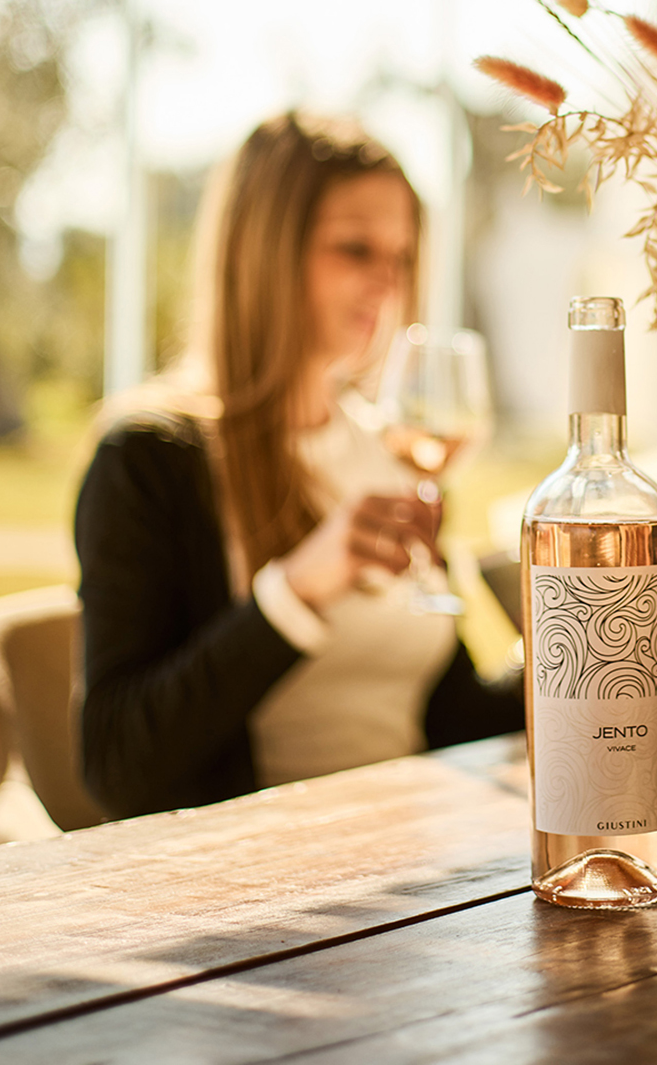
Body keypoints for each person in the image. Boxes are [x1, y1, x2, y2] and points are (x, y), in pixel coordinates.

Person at [75, 111, 522, 821]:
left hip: (419, 856)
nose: (387, 282)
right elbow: (118, 765)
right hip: (266, 873)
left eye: (402, 256)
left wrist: (573, 640)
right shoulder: (149, 460)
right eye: (355, 249)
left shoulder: (387, 454)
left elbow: (449, 716)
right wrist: (299, 588)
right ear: (265, 253)